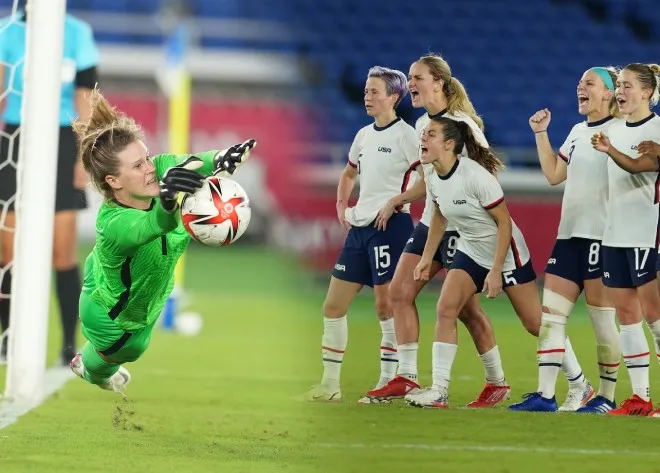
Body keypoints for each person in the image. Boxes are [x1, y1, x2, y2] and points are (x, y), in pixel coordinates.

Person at [367, 54, 588, 409]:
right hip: (442, 224)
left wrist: (495, 265)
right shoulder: (426, 123)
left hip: (476, 231)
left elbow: (488, 191)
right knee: (412, 295)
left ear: (438, 81)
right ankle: (416, 379)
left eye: (417, 77)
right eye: (409, 77)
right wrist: (401, 200)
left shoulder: (462, 127)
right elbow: (435, 191)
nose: (410, 84)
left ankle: (574, 383)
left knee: (526, 321)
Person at [68, 88, 255, 392]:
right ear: (113, 182)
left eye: (147, 157)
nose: (151, 168)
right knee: (124, 355)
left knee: (113, 272)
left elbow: (196, 162)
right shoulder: (114, 224)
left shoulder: (160, 168)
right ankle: (89, 369)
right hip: (116, 320)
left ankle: (92, 364)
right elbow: (153, 225)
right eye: (138, 166)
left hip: (104, 275)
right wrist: (168, 203)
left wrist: (222, 157)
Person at [403, 116, 588, 409]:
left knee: (535, 323)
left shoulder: (476, 176)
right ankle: (439, 390)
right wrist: (427, 257)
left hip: (506, 252)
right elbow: (439, 213)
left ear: (449, 144)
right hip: (471, 250)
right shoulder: (432, 173)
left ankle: (580, 384)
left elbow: (503, 223)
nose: (423, 139)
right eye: (424, 134)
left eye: (431, 135)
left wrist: (495, 271)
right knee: (446, 308)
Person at [303, 66, 425, 402]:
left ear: (395, 97)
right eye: (367, 91)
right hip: (360, 229)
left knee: (385, 306)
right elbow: (348, 173)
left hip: (392, 227)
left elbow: (426, 181)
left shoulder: (408, 137)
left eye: (375, 92)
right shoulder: (363, 135)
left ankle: (388, 381)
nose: (367, 97)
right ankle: (330, 385)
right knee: (333, 305)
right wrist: (342, 204)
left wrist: (395, 203)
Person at [510, 67, 621, 413]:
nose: (581, 87)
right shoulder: (575, 131)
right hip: (568, 237)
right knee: (550, 318)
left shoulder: (620, 131)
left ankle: (606, 396)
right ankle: (545, 395)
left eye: (589, 83)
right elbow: (554, 175)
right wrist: (541, 134)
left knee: (603, 320)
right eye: (580, 83)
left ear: (609, 93)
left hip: (601, 239)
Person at [0, 5, 98, 364]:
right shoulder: (7, 31)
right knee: (8, 251)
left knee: (62, 252)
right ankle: (8, 340)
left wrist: (82, 156)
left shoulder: (77, 34)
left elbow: (84, 99)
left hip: (62, 142)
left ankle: (68, 345)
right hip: (16, 139)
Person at [591, 63, 660, 417]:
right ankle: (641, 398)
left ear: (647, 92)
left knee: (655, 317)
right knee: (627, 316)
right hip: (614, 234)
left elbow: (638, 167)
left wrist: (610, 151)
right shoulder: (614, 128)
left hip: (645, 234)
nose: (621, 90)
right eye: (619, 84)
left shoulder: (658, 127)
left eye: (628, 85)